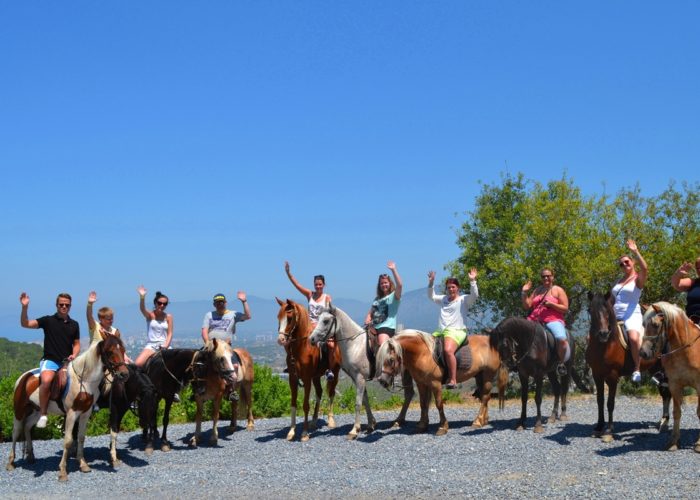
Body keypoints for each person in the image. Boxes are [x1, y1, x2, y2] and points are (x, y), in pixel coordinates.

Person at [20, 292, 80, 428]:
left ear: (70, 306)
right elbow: (25, 324)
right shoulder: (48, 321)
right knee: (46, 381)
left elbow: (76, 344)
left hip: (67, 362)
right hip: (50, 360)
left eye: (67, 305)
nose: (64, 307)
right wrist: (24, 308)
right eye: (61, 304)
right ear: (56, 305)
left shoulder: (74, 324)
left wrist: (75, 354)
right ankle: (43, 414)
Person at [284, 261, 337, 381]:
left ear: (323, 285)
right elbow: (297, 285)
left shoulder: (327, 297)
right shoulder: (309, 294)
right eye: (316, 284)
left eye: (320, 284)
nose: (318, 286)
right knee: (288, 341)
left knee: (330, 345)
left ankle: (329, 368)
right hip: (308, 325)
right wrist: (289, 273)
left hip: (321, 327)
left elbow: (330, 313)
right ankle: (291, 365)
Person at [427, 268, 478, 389]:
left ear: (458, 288)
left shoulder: (464, 300)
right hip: (440, 331)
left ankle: (453, 379)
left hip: (457, 331)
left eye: (453, 287)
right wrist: (431, 282)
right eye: (449, 287)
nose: (451, 289)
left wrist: (473, 281)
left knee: (448, 351)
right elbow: (431, 296)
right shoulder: (443, 299)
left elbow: (475, 295)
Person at [521, 267, 570, 376]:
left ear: (553, 277)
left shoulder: (557, 290)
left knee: (561, 339)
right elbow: (527, 306)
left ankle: (561, 363)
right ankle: (517, 362)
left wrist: (552, 304)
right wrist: (524, 292)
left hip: (553, 320)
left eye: (548, 276)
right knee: (517, 334)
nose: (546, 278)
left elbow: (565, 308)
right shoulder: (537, 290)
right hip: (534, 320)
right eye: (543, 276)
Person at [612, 239, 648, 383]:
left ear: (632, 262)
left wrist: (635, 251)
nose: (625, 265)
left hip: (631, 314)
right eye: (622, 264)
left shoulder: (637, 279)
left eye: (627, 262)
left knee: (633, 338)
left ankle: (637, 369)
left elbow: (645, 268)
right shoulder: (618, 281)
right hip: (615, 314)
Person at [365, 261, 403, 348]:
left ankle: (384, 361)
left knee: (382, 345)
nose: (383, 285)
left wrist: (393, 270)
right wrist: (367, 319)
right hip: (373, 328)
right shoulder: (377, 299)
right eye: (381, 283)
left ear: (390, 283)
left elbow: (400, 285)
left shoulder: (394, 296)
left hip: (386, 328)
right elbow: (370, 313)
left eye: (385, 282)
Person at [133, 286, 173, 366]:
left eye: (165, 304)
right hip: (151, 346)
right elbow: (142, 309)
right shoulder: (150, 315)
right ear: (155, 303)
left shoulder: (169, 317)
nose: (162, 305)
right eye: (159, 303)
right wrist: (142, 297)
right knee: (136, 365)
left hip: (165, 345)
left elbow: (170, 333)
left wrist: (165, 346)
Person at [671, 256, 700, 323]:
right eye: (698, 268)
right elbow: (675, 284)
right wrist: (678, 274)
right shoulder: (693, 282)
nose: (699, 270)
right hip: (690, 321)